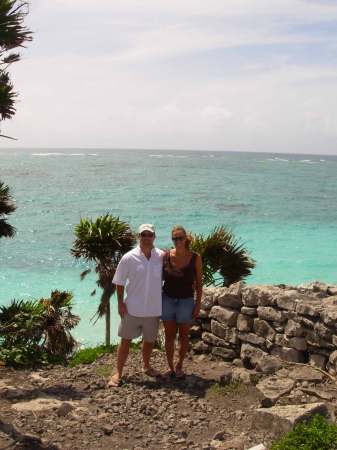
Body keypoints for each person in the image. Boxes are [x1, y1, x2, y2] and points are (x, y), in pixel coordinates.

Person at [108, 224, 163, 387]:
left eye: (149, 235)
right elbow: (119, 282)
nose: (146, 238)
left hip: (153, 309)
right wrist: (120, 303)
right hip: (132, 307)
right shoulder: (128, 257)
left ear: (154, 236)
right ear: (139, 237)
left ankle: (146, 366)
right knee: (125, 341)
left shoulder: (161, 256)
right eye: (143, 235)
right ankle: (118, 372)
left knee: (149, 341)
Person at [162, 225, 203, 379]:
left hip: (186, 301)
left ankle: (179, 365)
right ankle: (170, 367)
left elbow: (199, 282)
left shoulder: (195, 257)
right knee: (169, 336)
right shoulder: (166, 256)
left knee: (184, 336)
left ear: (186, 238)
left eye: (180, 238)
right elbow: (156, 277)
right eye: (174, 238)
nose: (177, 241)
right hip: (167, 299)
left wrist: (198, 303)